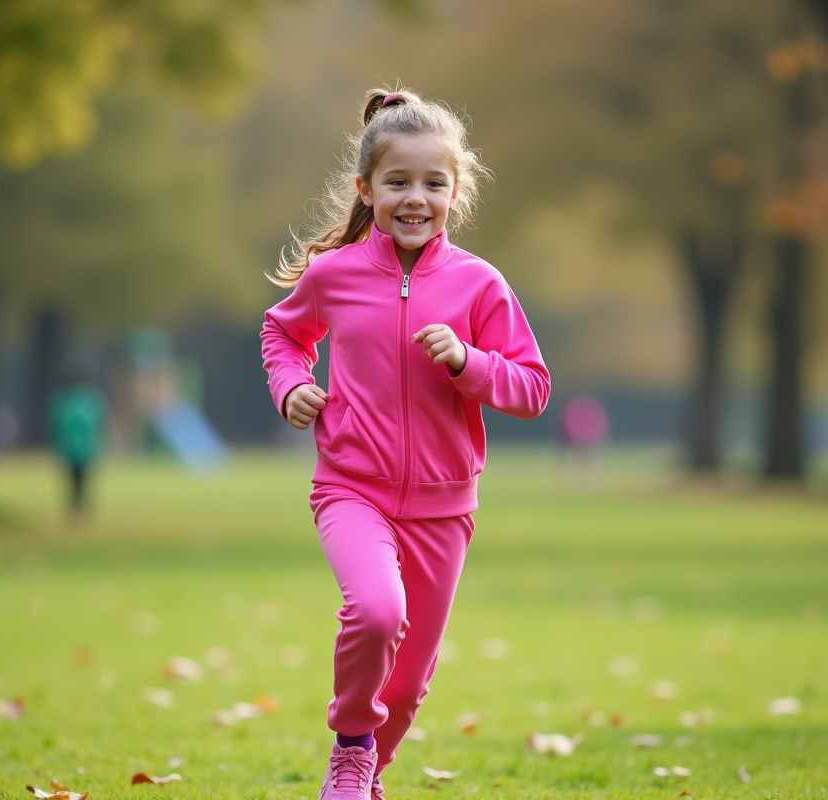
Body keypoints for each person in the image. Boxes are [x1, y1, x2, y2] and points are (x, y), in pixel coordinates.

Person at [261, 87, 550, 800]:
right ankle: (352, 749)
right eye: (397, 182)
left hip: (444, 508)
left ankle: (368, 773)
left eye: (432, 182)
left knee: (412, 681)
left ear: (457, 190)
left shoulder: (480, 285)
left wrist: (467, 362)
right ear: (367, 189)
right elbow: (282, 332)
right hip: (351, 486)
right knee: (377, 611)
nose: (414, 197)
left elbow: (532, 387)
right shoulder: (336, 275)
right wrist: (291, 384)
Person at [46, 370, 108, 518]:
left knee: (74, 478)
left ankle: (76, 505)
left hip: (72, 447)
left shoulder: (63, 399)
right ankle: (79, 505)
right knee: (80, 479)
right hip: (84, 447)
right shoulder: (91, 398)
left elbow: (55, 424)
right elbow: (99, 423)